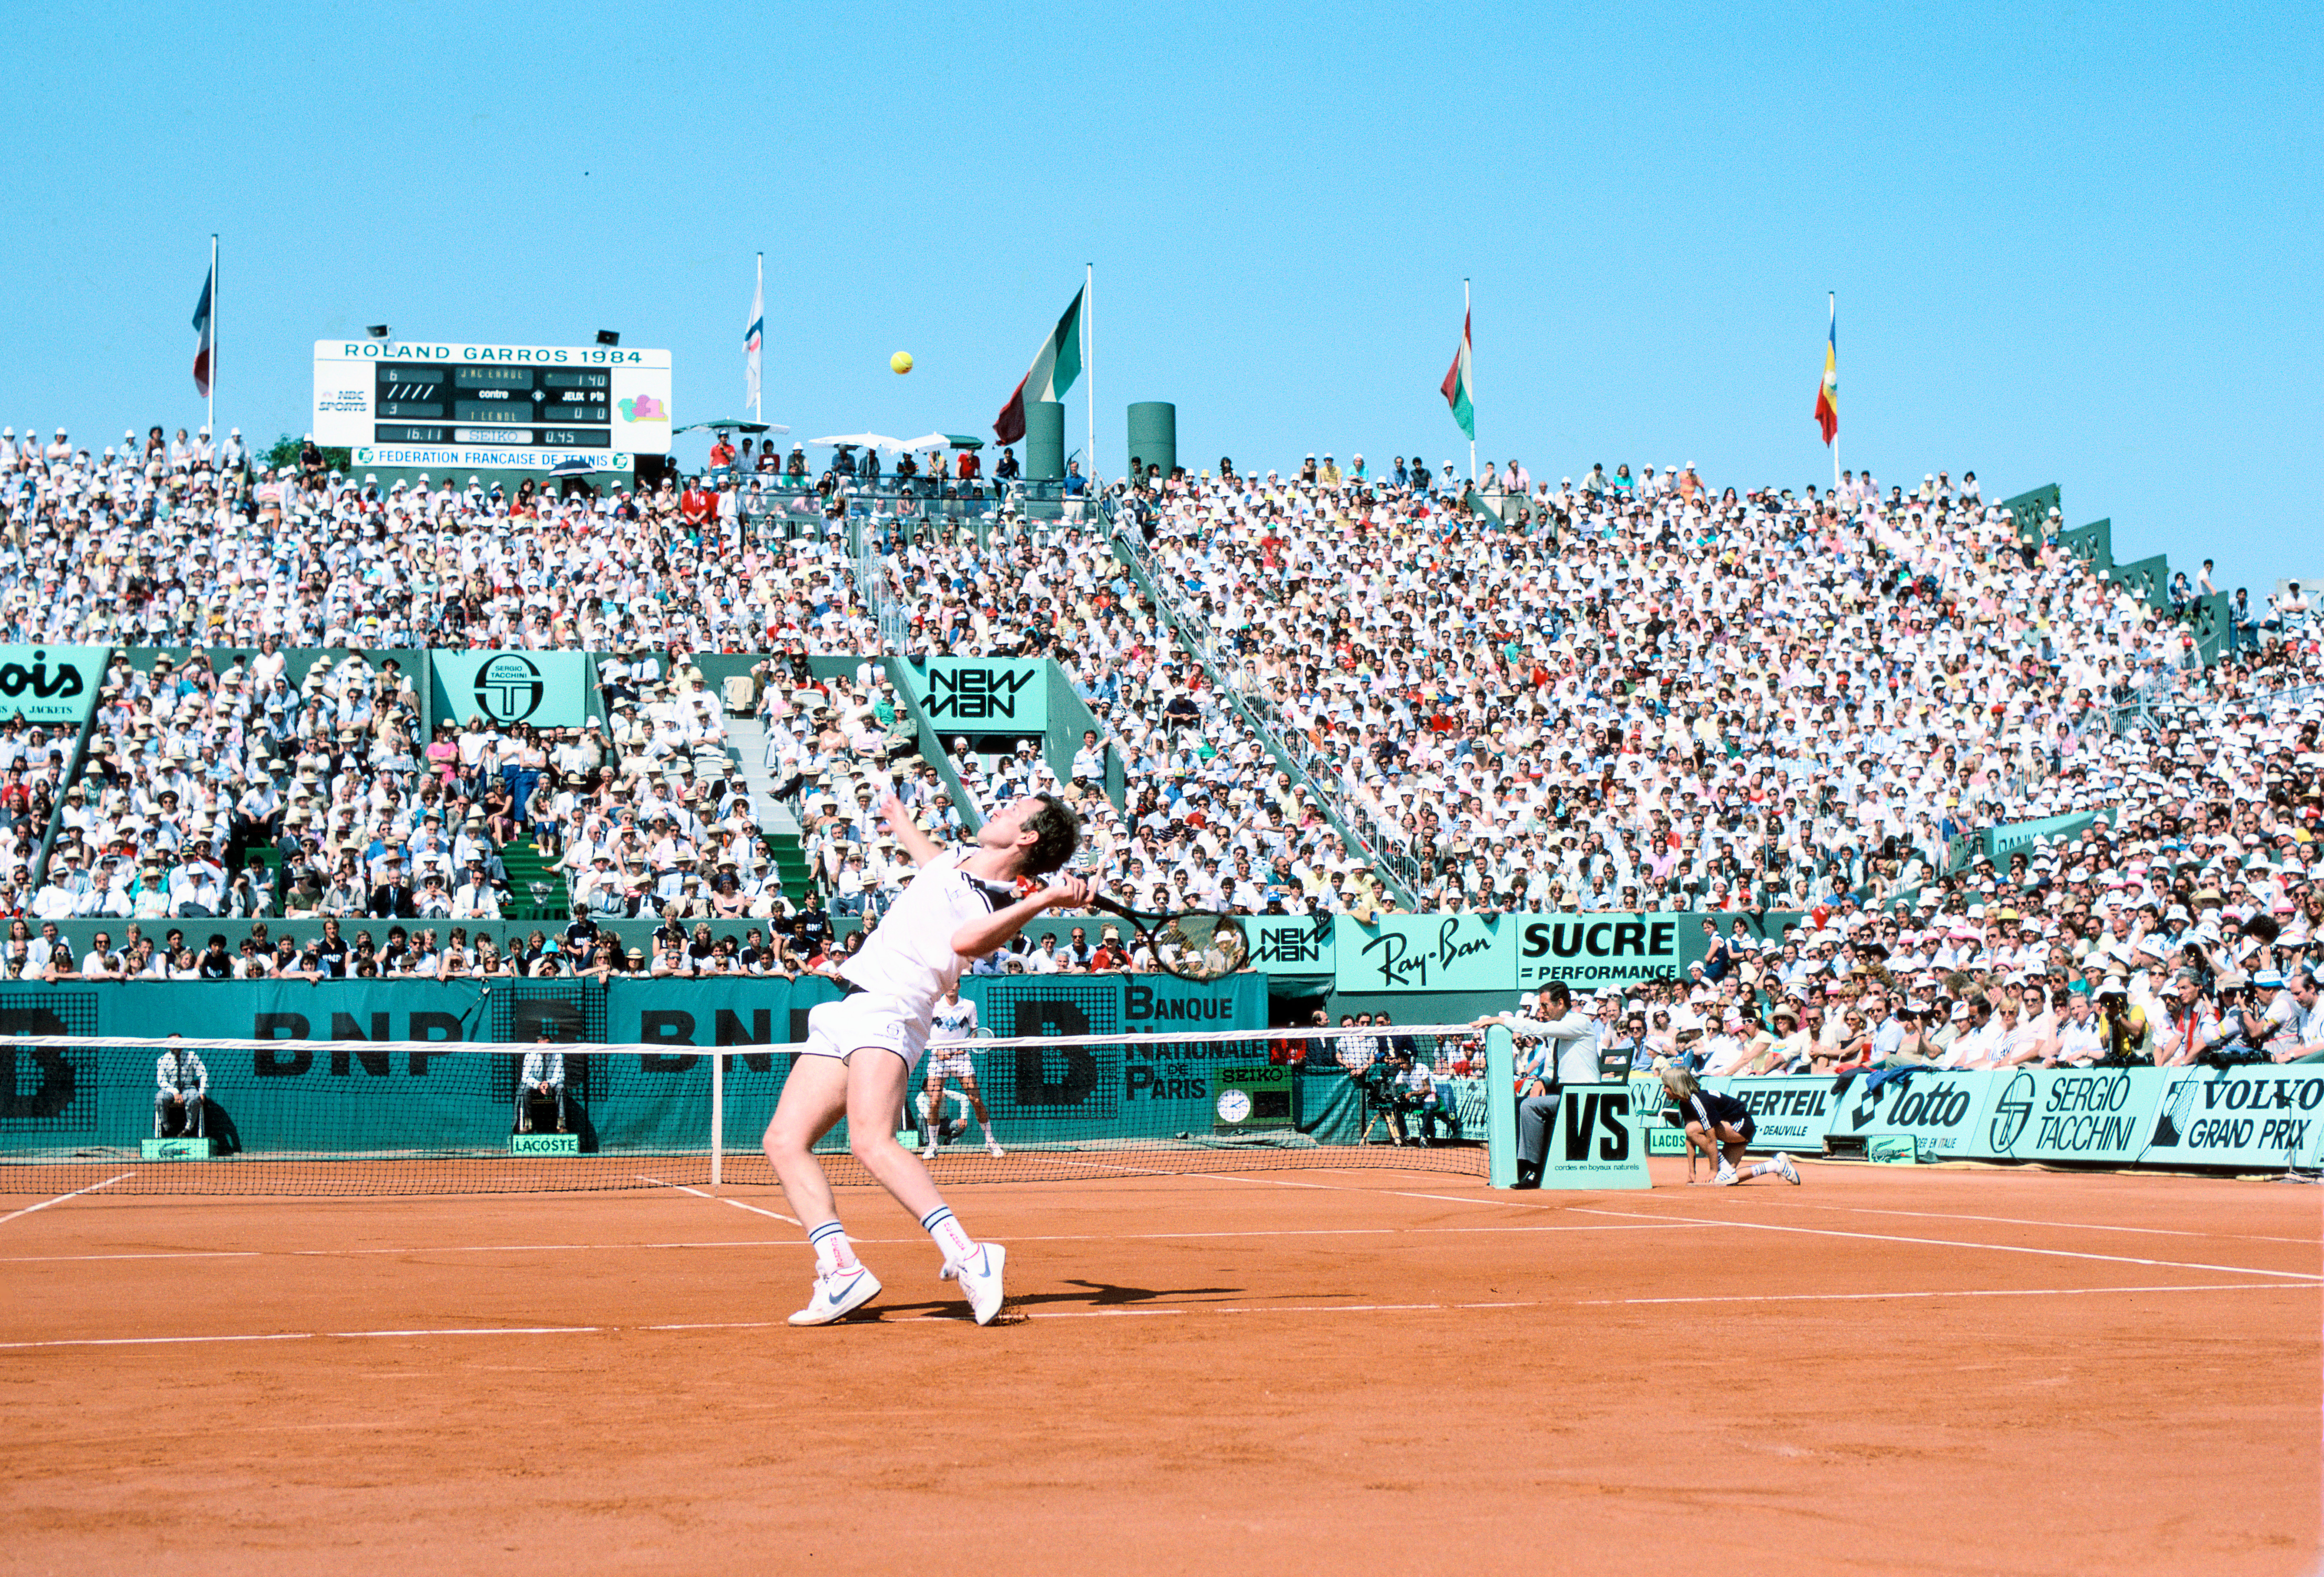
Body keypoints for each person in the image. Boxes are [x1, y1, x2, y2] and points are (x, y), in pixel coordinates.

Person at [762, 790, 1086, 1328]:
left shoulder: (997, 901)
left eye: (1014, 809)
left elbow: (967, 942)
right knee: (783, 1140)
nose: (1000, 806)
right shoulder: (956, 860)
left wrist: (1044, 900)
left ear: (1027, 837)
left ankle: (969, 1253)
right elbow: (929, 861)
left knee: (871, 1140)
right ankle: (841, 1268)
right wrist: (900, 819)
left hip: (893, 1009)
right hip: (852, 1004)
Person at [1662, 1067, 1799, 1187]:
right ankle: (1776, 1165)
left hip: (1741, 1126)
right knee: (1726, 1179)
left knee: (1692, 1129)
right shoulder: (1684, 1103)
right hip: (1730, 1129)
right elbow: (1690, 1140)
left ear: (1677, 1086)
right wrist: (1692, 1172)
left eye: (1666, 1086)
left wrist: (1713, 1170)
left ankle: (1722, 1169)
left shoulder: (1698, 1101)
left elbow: (1711, 1138)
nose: (1664, 1089)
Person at [919, 985, 1001, 1160]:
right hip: (937, 1060)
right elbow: (923, 1030)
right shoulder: (934, 1005)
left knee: (976, 1100)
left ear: (959, 986)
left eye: (955, 984)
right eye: (948, 984)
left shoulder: (969, 1006)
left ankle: (990, 1142)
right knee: (934, 1103)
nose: (952, 987)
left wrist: (965, 1048)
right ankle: (932, 1146)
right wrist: (937, 1051)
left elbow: (974, 1032)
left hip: (961, 1060)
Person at [154, 1033, 207, 1140]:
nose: (176, 1045)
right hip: (170, 1089)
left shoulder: (192, 1056)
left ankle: (188, 1128)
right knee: (160, 1098)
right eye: (172, 1043)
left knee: (194, 1097)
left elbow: (203, 1074)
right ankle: (166, 1127)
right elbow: (161, 1081)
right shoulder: (162, 1060)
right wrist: (174, 1091)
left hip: (188, 1088)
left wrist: (202, 1092)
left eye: (178, 1042)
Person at [517, 1026, 567, 1134]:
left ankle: (561, 1124)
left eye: (547, 1046)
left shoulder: (558, 1055)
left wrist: (549, 1084)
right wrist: (538, 1085)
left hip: (551, 1087)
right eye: (541, 1047)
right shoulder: (530, 1056)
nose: (544, 1049)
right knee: (524, 1089)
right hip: (535, 1087)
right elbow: (525, 1076)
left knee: (561, 1087)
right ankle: (527, 1124)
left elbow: (560, 1076)